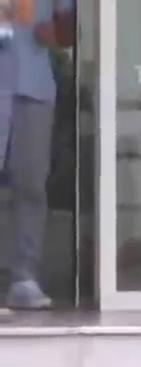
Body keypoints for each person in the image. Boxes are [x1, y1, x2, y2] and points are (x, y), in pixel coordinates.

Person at [1, 0, 74, 309]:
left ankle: (24, 278)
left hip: (35, 89)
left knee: (31, 184)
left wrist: (56, 33)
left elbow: (68, 32)